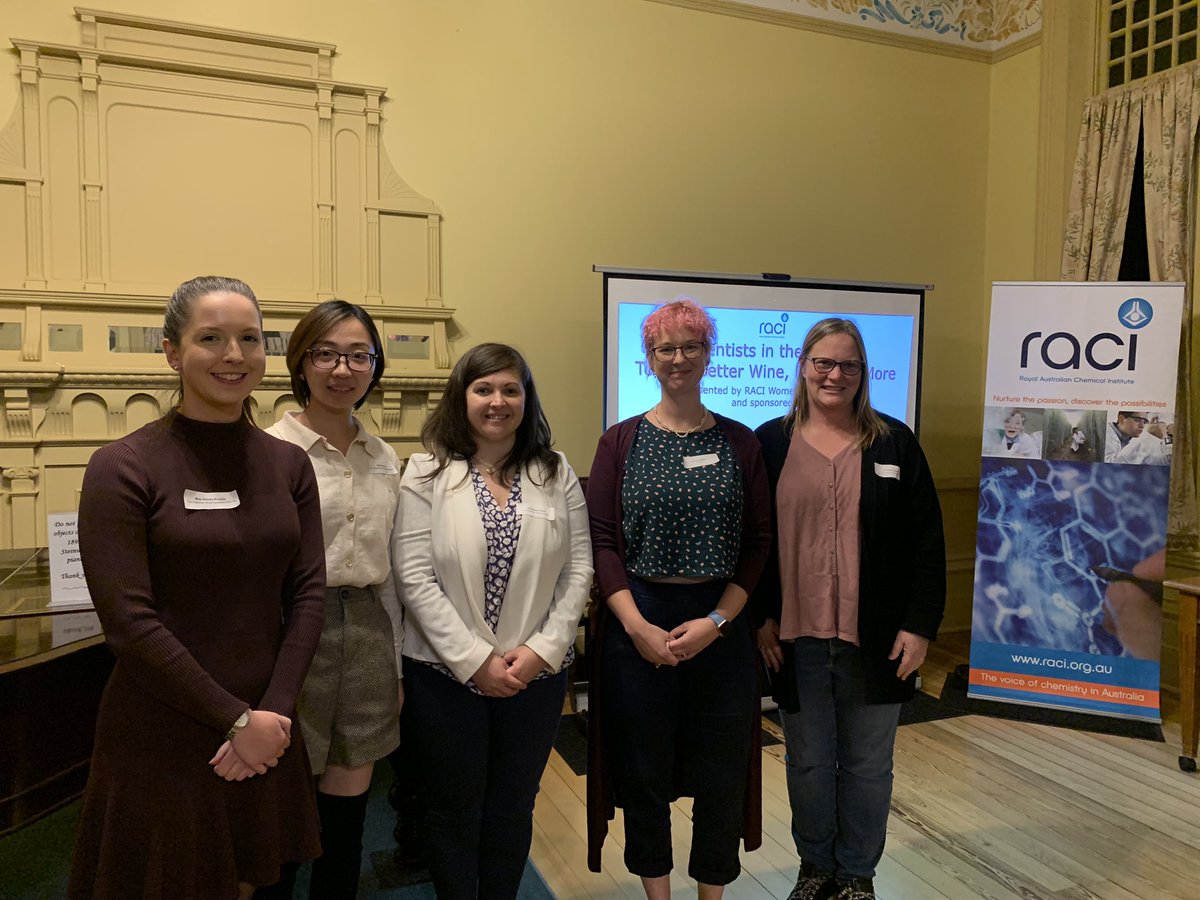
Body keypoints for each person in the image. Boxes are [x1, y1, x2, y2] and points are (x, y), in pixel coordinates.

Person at [69, 276, 326, 899]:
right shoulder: (122, 466)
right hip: (166, 726)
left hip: (268, 720)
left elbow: (310, 593)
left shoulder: (290, 463)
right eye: (210, 338)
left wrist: (272, 714)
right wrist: (235, 721)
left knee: (256, 884)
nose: (233, 355)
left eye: (249, 338)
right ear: (171, 351)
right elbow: (130, 623)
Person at [751, 317, 945, 900]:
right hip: (794, 636)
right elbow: (752, 541)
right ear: (804, 367)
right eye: (823, 363)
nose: (835, 375)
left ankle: (856, 872)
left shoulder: (894, 442)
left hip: (879, 637)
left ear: (863, 374)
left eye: (848, 365)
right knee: (808, 762)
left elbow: (927, 541)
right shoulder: (769, 442)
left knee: (867, 764)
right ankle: (816, 868)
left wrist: (919, 625)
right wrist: (760, 617)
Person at [586, 299, 771, 900]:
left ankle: (710, 894)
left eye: (691, 346)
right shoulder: (620, 442)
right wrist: (637, 628)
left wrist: (717, 621)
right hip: (636, 624)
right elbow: (604, 542)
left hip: (721, 626)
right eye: (666, 348)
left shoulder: (740, 443)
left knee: (721, 775)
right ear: (649, 359)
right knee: (644, 774)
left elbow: (758, 543)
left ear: (709, 355)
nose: (679, 358)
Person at [393, 342, 592, 900]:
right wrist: (476, 660)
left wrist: (541, 652)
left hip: (535, 677)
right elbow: (413, 576)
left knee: (512, 805)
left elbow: (578, 572)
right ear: (462, 397)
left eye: (511, 389)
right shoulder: (427, 471)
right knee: (452, 807)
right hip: (445, 675)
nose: (497, 401)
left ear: (527, 399)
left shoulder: (555, 471)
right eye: (484, 389)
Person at [265, 300, 402, 897]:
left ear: (374, 366)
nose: (341, 369)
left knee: (348, 813)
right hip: (291, 633)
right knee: (283, 806)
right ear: (301, 362)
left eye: (357, 355)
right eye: (325, 353)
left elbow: (393, 570)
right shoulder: (269, 451)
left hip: (369, 630)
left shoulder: (385, 457)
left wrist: (396, 666)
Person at [1105, 410, 1171, 465]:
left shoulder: (1131, 437)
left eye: (1144, 421)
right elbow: (1112, 465)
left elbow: (1146, 461)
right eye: (1137, 420)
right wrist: (1150, 436)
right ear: (1121, 419)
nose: (1142, 426)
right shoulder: (1104, 434)